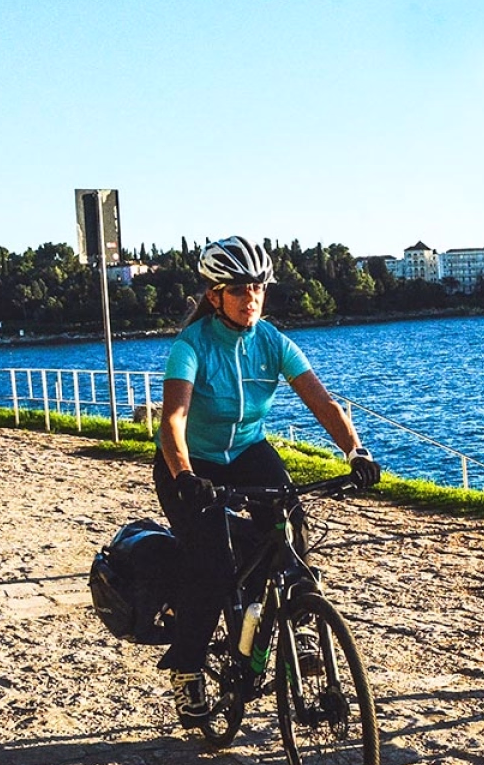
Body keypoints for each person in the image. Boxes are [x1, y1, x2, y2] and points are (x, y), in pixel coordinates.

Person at [156, 235, 381, 724]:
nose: (251, 297)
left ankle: (286, 624)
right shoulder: (191, 346)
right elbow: (173, 419)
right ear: (215, 296)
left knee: (291, 532)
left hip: (248, 450)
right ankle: (188, 666)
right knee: (213, 561)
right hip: (193, 463)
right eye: (238, 289)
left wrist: (355, 449)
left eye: (257, 286)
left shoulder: (273, 341)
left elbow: (320, 399)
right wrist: (186, 476)